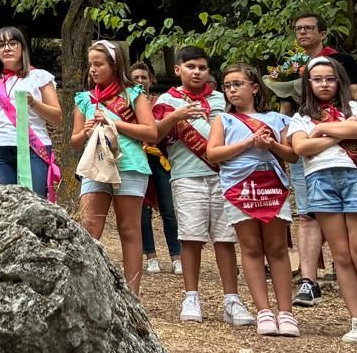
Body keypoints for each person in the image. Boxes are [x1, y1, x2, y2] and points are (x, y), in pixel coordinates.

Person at [287, 57, 357, 347]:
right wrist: (335, 132)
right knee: (341, 254)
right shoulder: (301, 117)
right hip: (320, 182)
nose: (323, 84)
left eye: (329, 79)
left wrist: (322, 131)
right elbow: (301, 147)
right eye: (317, 79)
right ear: (308, 84)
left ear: (339, 81)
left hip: (354, 177)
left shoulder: (356, 108)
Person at [154, 47, 256, 328]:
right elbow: (154, 135)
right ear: (178, 70)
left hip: (224, 176)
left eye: (202, 67)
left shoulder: (223, 100)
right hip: (187, 175)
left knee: (225, 238)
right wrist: (176, 116)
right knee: (191, 237)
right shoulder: (167, 101)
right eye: (190, 66)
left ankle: (232, 299)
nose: (197, 72)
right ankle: (191, 296)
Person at [207, 63, 299, 337]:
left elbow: (292, 155)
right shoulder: (223, 120)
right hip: (239, 186)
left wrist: (270, 145)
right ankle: (264, 311)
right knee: (250, 247)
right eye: (227, 86)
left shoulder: (276, 118)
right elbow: (214, 154)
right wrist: (249, 143)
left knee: (277, 248)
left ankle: (286, 311)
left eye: (237, 84)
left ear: (255, 87)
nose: (231, 90)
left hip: (271, 184)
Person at [72, 40, 158, 295]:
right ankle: (85, 289)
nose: (93, 70)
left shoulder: (134, 94)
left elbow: (150, 132)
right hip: (94, 165)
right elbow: (75, 141)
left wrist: (115, 122)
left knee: (129, 228)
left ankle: (132, 294)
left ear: (114, 64)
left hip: (129, 164)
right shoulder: (84, 99)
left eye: (98, 64)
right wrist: (85, 131)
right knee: (89, 227)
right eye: (90, 65)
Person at [0, 26, 60, 197]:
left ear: (22, 47)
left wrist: (34, 103)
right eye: (1, 44)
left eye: (13, 43)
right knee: (4, 204)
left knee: (35, 203)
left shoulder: (40, 76)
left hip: (34, 148)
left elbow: (57, 116)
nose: (7, 48)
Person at [130, 60, 181, 276]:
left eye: (144, 77)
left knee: (169, 210)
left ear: (151, 79)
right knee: (142, 211)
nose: (141, 81)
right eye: (136, 78)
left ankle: (177, 257)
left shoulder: (161, 103)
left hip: (161, 160)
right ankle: (150, 256)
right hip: (137, 159)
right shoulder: (126, 104)